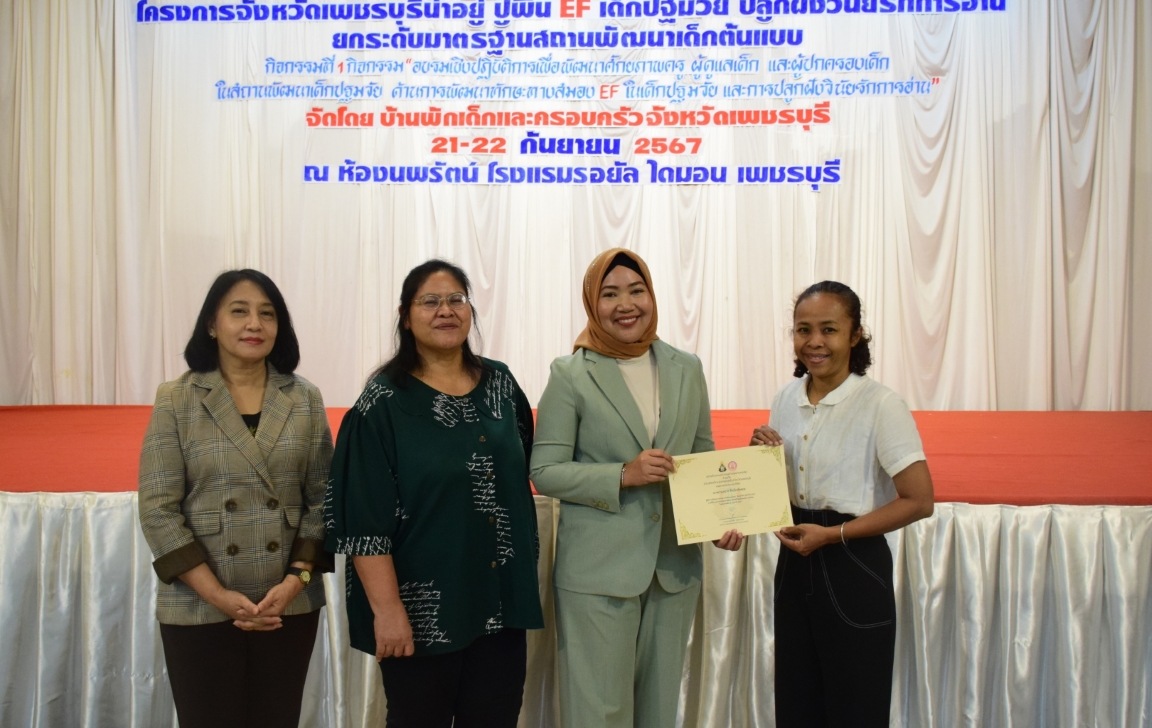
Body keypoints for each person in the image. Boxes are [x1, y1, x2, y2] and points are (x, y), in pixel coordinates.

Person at [323, 259, 543, 728]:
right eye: (430, 302)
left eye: (456, 299)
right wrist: (388, 612)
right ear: (406, 317)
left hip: (500, 603)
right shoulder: (382, 403)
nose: (446, 311)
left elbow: (527, 462)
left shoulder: (501, 384)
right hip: (421, 614)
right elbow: (363, 524)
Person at [531, 248, 745, 728]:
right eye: (610, 294)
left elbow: (700, 457)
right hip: (598, 573)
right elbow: (544, 470)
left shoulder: (686, 366)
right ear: (592, 303)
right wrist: (622, 474)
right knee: (598, 714)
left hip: (673, 568)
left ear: (652, 295)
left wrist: (718, 520)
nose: (626, 305)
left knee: (659, 712)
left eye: (636, 290)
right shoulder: (571, 373)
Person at [137, 269, 333, 728]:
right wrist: (219, 596)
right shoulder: (177, 399)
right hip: (199, 604)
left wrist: (295, 582)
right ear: (212, 323)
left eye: (267, 314)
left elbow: (323, 501)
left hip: (286, 605)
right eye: (239, 311)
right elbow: (158, 508)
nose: (254, 324)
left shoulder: (304, 398)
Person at [750, 280, 935, 728]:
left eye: (829, 329)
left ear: (855, 335)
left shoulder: (881, 405)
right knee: (796, 703)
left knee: (856, 707)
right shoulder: (785, 399)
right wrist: (759, 461)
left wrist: (832, 535)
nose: (814, 342)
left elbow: (920, 500)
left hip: (854, 564)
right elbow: (781, 489)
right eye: (803, 329)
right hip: (794, 565)